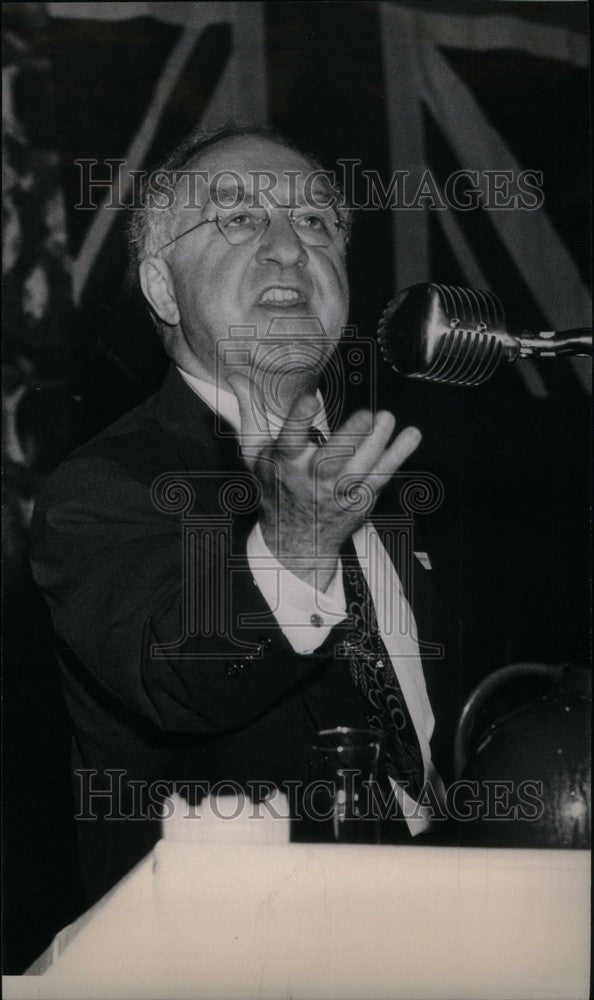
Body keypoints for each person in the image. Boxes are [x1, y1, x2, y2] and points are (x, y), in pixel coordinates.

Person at [31, 125, 457, 905]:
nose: (290, 248)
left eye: (317, 221)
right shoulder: (105, 487)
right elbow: (184, 676)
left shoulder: (388, 472)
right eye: (237, 217)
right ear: (162, 288)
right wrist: (296, 545)